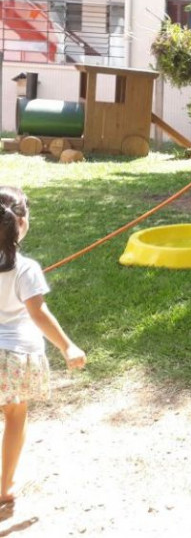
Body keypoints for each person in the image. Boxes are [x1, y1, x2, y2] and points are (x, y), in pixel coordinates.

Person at [0, 186, 86, 505]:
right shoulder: (26, 268)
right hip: (14, 356)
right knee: (14, 415)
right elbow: (38, 314)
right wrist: (68, 347)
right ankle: (4, 486)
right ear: (21, 223)